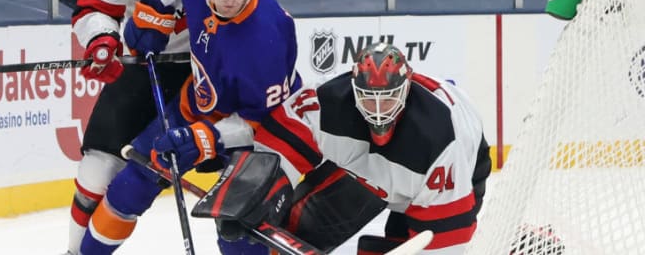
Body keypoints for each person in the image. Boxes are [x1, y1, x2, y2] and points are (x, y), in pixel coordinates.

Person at [68, 0, 325, 255]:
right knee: (111, 174)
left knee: (236, 223)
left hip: (246, 103)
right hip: (171, 66)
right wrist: (143, 14)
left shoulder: (265, 38)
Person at [78, 0, 303, 254]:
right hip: (197, 105)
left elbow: (258, 125)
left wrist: (202, 141)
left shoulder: (269, 36)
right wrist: (157, 5)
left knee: (237, 230)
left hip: (257, 131)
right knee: (130, 186)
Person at [199, 42, 492, 254]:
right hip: (366, 174)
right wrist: (250, 193)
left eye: (388, 99)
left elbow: (445, 245)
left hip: (447, 177)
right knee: (291, 226)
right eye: (368, 98)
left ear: (406, 90)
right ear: (354, 90)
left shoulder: (440, 140)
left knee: (400, 242)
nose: (378, 111)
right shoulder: (326, 103)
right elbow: (276, 147)